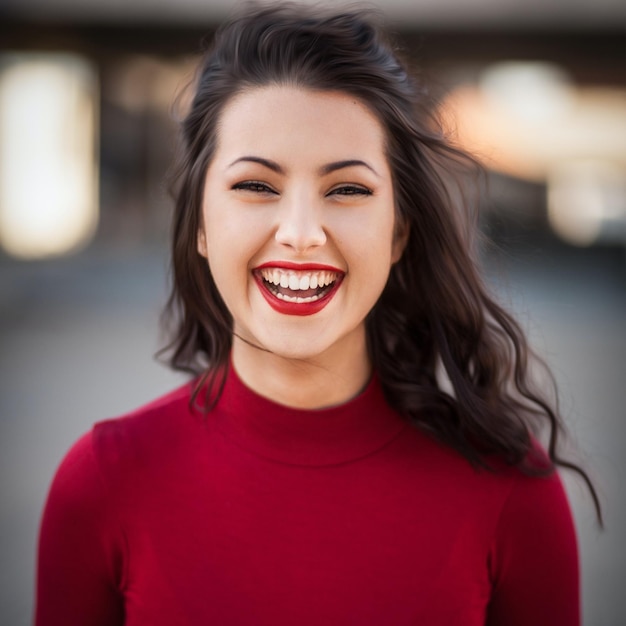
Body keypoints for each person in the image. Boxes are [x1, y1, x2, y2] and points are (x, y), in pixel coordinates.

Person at [35, 3, 600, 625]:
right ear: (199, 223)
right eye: (256, 186)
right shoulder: (102, 484)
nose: (301, 234)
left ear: (399, 232)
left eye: (348, 189)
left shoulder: (510, 488)